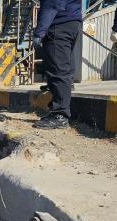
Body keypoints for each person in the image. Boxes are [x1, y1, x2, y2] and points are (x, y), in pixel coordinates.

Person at [32, 0, 83, 129]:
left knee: (58, 70)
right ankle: (61, 104)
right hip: (72, 22)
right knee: (64, 68)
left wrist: (39, 32)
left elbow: (51, 3)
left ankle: (60, 114)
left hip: (59, 24)